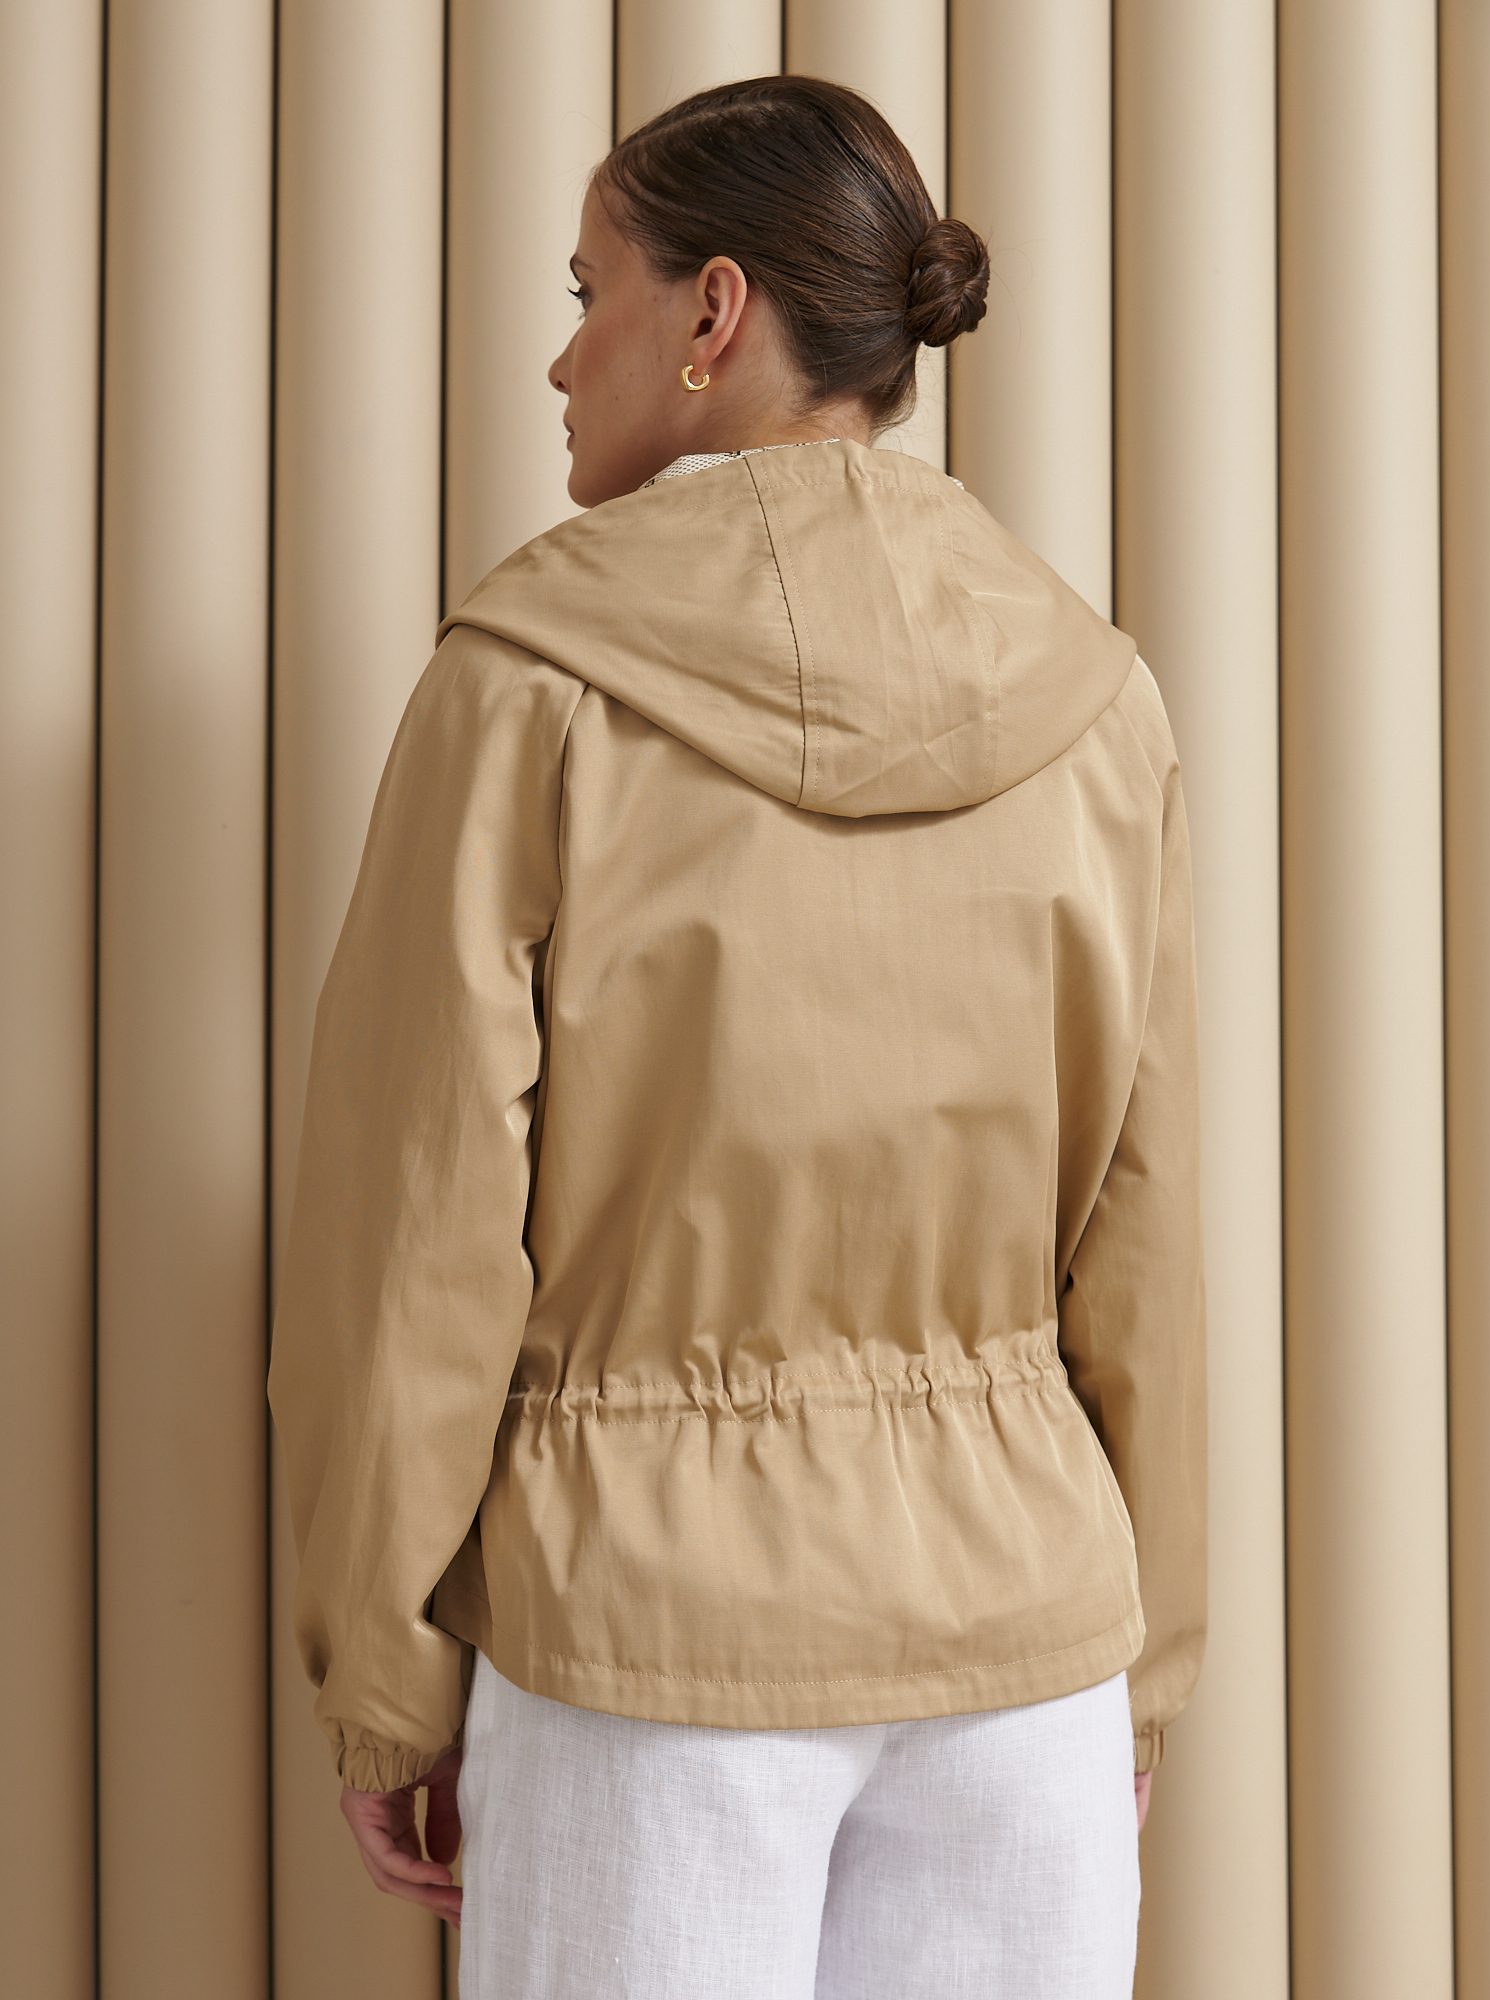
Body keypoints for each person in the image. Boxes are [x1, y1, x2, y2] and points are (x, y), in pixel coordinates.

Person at [269, 74, 1206, 2000]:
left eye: (585, 289)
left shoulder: (526, 688)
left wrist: (386, 1681)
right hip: (1026, 1648)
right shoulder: (1095, 699)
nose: (559, 355)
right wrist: (1145, 1668)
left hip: (646, 1646)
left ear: (712, 313)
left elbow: (414, 1235)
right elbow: (1146, 1227)